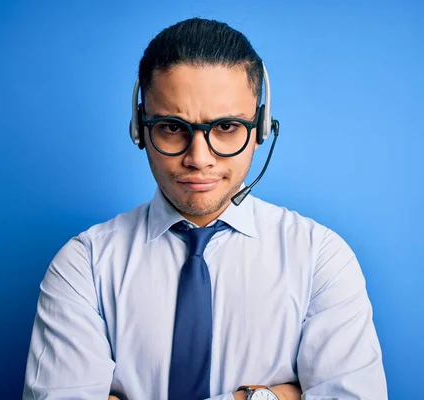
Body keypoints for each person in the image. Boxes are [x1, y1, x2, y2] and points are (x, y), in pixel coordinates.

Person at [22, 17, 387, 400]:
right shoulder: (84, 266)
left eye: (227, 127)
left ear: (260, 128)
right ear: (139, 128)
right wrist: (266, 398)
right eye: (172, 127)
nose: (199, 158)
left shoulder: (320, 259)